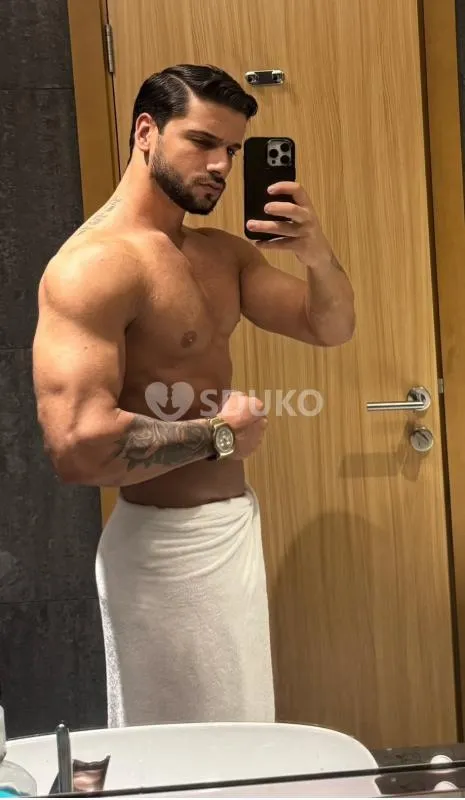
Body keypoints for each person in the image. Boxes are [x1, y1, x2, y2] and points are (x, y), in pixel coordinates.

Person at [32, 64, 355, 727]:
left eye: (232, 150)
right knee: (181, 754)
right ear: (146, 132)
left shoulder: (221, 256)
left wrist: (316, 254)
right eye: (202, 142)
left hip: (229, 531)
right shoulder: (95, 266)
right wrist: (218, 436)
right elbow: (76, 447)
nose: (220, 166)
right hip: (160, 551)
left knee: (243, 733)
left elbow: (330, 326)